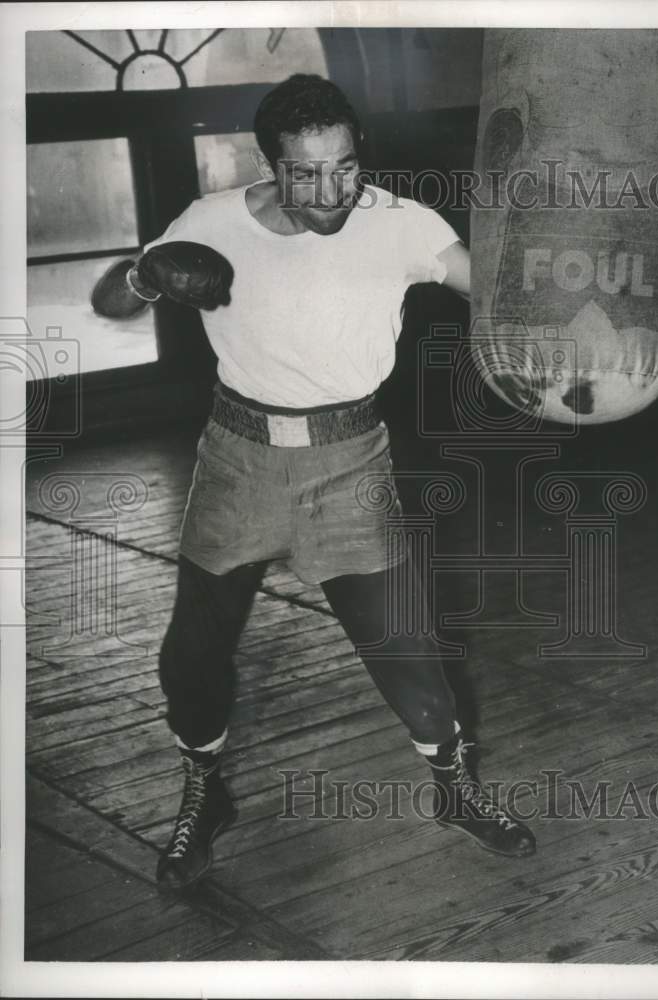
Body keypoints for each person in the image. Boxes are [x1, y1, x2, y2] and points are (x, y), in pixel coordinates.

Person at [92, 73, 535, 889]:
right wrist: (147, 277)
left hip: (350, 461)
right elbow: (112, 299)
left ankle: (453, 788)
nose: (330, 191)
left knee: (408, 653)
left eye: (343, 167)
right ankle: (203, 790)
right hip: (238, 457)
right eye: (305, 173)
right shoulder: (211, 220)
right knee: (193, 651)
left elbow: (501, 292)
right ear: (271, 165)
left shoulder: (403, 225)